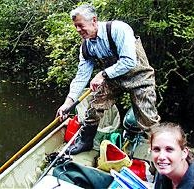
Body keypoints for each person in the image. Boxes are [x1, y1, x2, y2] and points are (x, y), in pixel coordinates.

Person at [56, 4, 160, 155]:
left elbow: (129, 61)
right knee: (94, 106)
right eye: (75, 26)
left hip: (140, 77)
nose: (78, 30)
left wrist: (102, 74)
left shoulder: (119, 29)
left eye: (80, 25)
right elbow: (81, 77)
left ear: (94, 20)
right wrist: (68, 103)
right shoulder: (86, 47)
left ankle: (160, 150)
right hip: (114, 80)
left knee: (148, 118)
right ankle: (85, 141)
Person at [150, 122, 194, 189]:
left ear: (184, 153)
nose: (161, 157)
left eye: (169, 149)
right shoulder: (164, 172)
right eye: (156, 149)